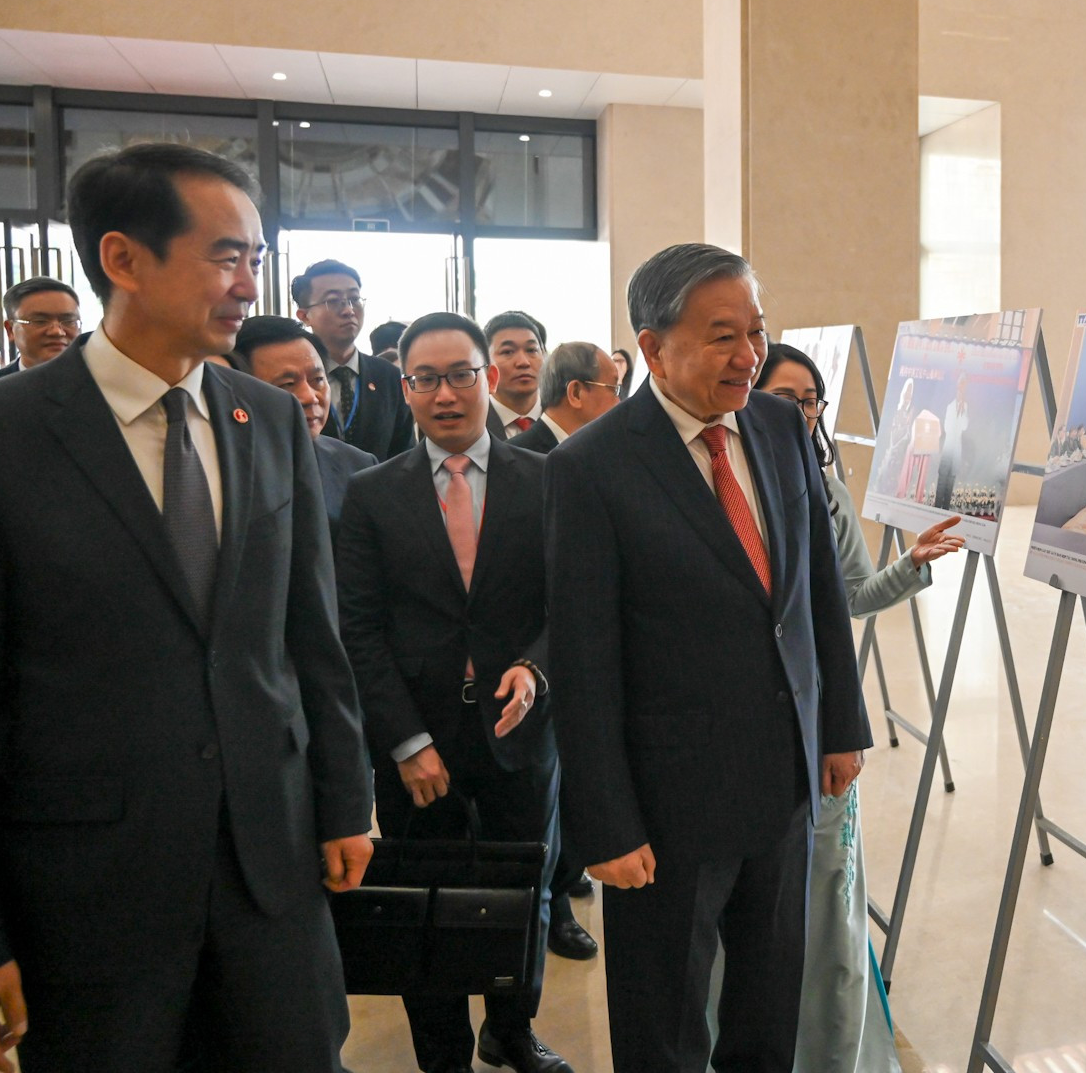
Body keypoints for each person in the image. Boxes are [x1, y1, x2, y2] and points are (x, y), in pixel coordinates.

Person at [0, 143, 373, 1072]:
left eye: (256, 257)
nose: (249, 285)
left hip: (271, 872)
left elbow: (309, 638)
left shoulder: (270, 418)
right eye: (225, 256)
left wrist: (346, 800)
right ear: (123, 259)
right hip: (87, 895)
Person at [545, 244, 870, 1072]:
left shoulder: (776, 425)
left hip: (784, 779)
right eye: (723, 335)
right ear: (651, 349)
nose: (749, 356)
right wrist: (607, 824)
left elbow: (816, 592)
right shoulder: (591, 467)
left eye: (756, 332)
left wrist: (840, 725)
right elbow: (585, 660)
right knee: (664, 1024)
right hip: (668, 807)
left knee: (768, 1007)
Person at [337, 312, 569, 1073]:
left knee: (521, 891)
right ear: (403, 389)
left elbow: (570, 603)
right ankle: (440, 1054)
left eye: (461, 374)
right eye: (425, 379)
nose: (446, 394)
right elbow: (359, 630)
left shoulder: (546, 481)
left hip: (519, 729)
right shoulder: (372, 495)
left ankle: (511, 1029)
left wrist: (535, 667)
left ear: (490, 379)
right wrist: (405, 742)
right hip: (416, 741)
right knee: (422, 900)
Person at [744, 342, 960, 1073]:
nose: (802, 413)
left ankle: (829, 1052)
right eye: (785, 397)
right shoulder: (716, 483)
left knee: (825, 904)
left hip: (816, 728)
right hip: (739, 729)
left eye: (812, 400)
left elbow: (857, 597)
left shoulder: (828, 491)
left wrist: (911, 563)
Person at [511, 341, 618, 961]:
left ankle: (570, 873)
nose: (622, 403)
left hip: (591, 646)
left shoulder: (597, 455)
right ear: (577, 393)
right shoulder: (533, 460)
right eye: (613, 389)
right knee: (550, 793)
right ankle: (551, 912)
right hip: (546, 653)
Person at [233, 315, 377, 540]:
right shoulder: (222, 468)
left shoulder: (358, 466)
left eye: (318, 379)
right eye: (287, 384)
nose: (310, 397)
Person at [293, 258, 415, 461]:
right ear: (304, 316)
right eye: (333, 301)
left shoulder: (388, 376)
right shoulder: (292, 377)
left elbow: (405, 454)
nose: (349, 310)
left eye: (354, 299)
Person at [0, 278, 85, 396]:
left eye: (69, 321)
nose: (57, 332)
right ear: (10, 329)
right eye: (40, 321)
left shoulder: (101, 386)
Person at [513, 341, 621, 455]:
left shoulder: (597, 450)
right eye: (614, 389)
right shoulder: (515, 459)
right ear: (576, 393)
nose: (619, 402)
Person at [484, 310, 548, 440]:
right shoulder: (472, 426)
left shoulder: (565, 417)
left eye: (531, 350)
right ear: (484, 361)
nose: (523, 362)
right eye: (508, 352)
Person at [935, 369, 973, 511]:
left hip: (957, 449)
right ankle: (937, 508)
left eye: (965, 385)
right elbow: (947, 428)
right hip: (947, 449)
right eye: (961, 384)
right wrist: (957, 411)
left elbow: (964, 427)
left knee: (951, 481)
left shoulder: (965, 407)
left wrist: (962, 411)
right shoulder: (950, 407)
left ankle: (945, 510)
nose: (963, 388)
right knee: (942, 480)